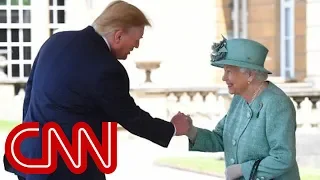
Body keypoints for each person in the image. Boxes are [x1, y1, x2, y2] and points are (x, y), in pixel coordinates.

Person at [3, 1, 189, 180]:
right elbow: (132, 118)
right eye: (137, 39)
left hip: (30, 160)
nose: (137, 46)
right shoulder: (107, 69)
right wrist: (172, 129)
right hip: (68, 170)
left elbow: (30, 94)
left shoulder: (56, 41)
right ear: (118, 36)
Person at [173, 37, 300, 180]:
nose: (224, 78)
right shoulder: (239, 99)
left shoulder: (276, 104)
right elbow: (221, 137)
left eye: (229, 71)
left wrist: (242, 170)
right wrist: (191, 131)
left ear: (250, 75)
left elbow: (282, 158)